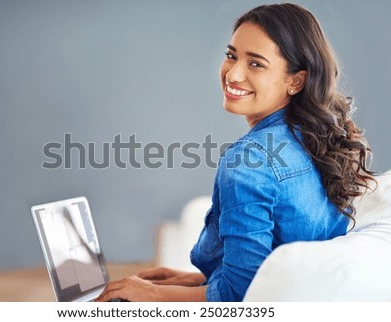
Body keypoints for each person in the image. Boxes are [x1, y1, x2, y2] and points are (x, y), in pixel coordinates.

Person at [96, 2, 375, 302]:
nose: (233, 74)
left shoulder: (248, 161)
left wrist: (151, 295)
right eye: (231, 56)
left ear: (296, 80)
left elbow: (238, 298)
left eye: (255, 63)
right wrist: (194, 281)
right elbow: (276, 260)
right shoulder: (314, 140)